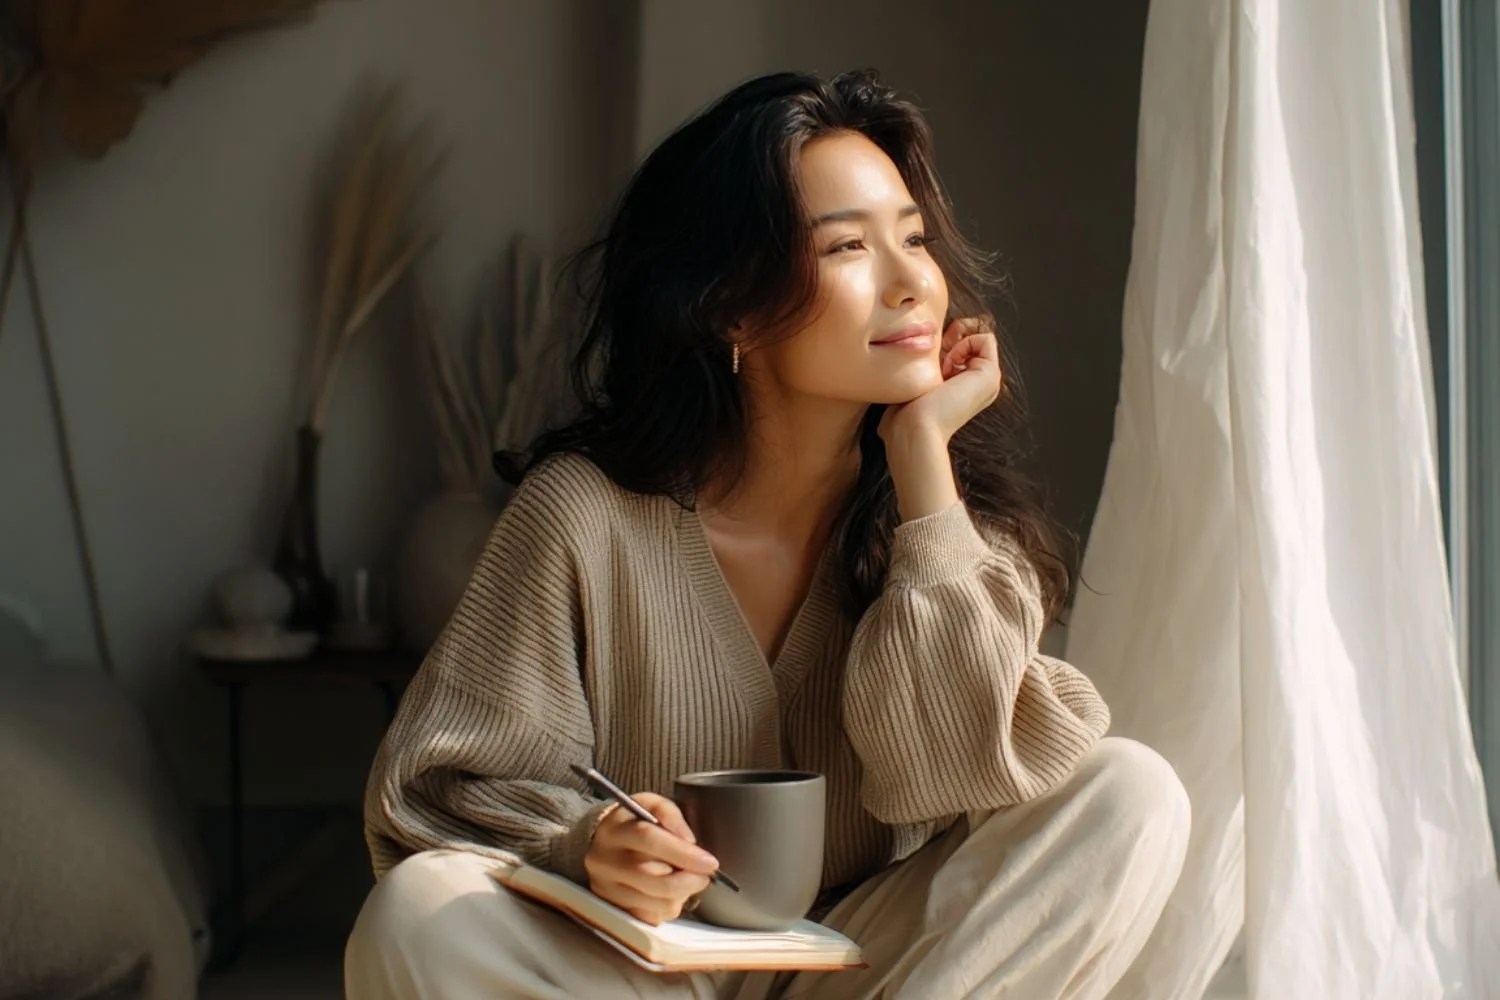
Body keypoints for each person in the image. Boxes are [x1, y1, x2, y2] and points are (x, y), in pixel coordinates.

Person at [344, 69, 1189, 1000]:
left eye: (913, 237)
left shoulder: (948, 521)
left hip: (874, 971)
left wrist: (919, 462)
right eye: (848, 250)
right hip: (640, 970)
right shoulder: (583, 514)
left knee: (1129, 793)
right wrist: (589, 845)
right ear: (729, 307)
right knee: (422, 908)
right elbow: (446, 794)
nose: (913, 282)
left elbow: (959, 775)